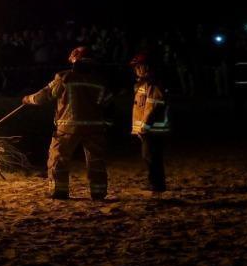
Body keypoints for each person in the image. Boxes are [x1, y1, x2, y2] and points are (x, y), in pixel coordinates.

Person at [22, 46, 112, 200]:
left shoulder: (64, 77)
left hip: (68, 127)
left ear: (74, 61)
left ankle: (60, 191)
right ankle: (98, 192)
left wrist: (27, 99)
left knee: (58, 158)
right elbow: (107, 103)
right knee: (96, 160)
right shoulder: (99, 82)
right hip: (94, 127)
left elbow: (45, 95)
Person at [130, 53, 170, 192]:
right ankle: (156, 184)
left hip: (152, 130)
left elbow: (152, 107)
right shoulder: (147, 84)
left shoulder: (152, 84)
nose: (136, 70)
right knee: (151, 157)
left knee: (151, 157)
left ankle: (156, 185)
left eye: (138, 67)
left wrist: (144, 127)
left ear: (145, 67)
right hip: (150, 129)